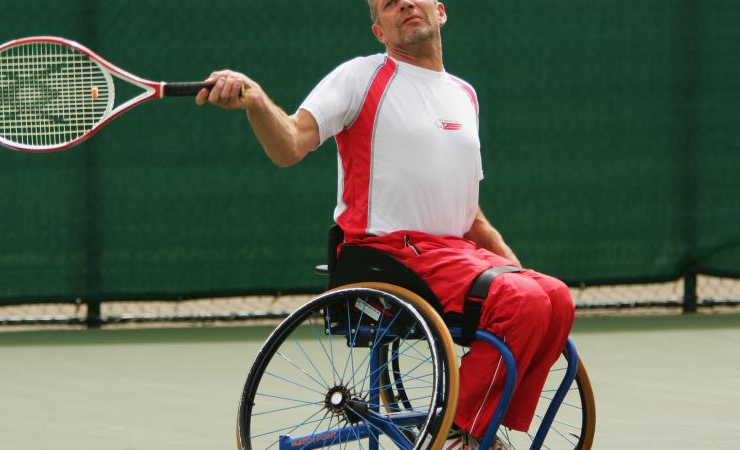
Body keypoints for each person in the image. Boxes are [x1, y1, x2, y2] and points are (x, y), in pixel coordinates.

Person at [195, 1, 575, 448]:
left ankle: (482, 429)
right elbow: (291, 144)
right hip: (385, 253)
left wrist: (519, 270)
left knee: (555, 298)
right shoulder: (360, 76)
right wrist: (257, 101)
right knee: (526, 302)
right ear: (380, 30)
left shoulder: (464, 94)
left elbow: (470, 214)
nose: (405, 4)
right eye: (390, 3)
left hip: (456, 255)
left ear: (440, 11)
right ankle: (460, 433)